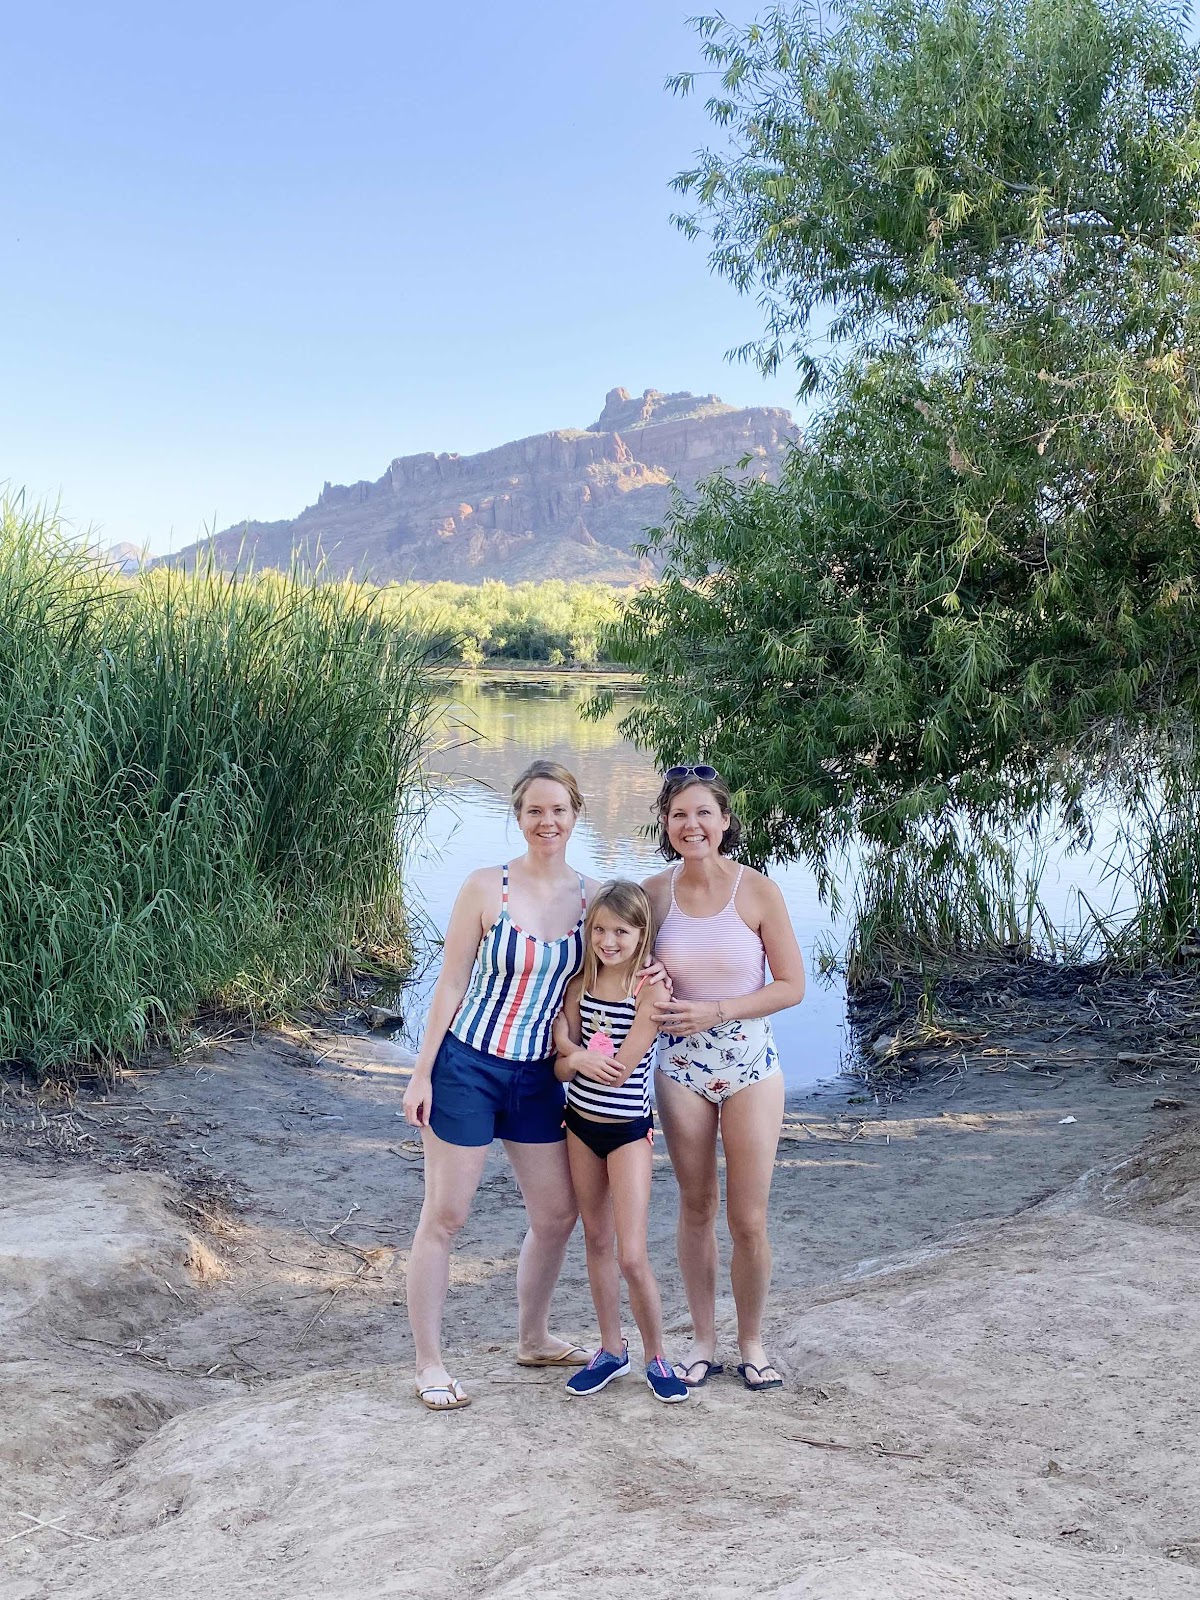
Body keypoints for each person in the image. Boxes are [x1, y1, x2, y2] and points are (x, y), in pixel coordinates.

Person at [401, 759, 597, 1410]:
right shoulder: (487, 886)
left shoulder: (593, 898)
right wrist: (422, 1073)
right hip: (468, 1067)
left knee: (557, 1214)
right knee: (446, 1215)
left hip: (537, 1077)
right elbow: (450, 982)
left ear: (575, 815)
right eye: (535, 810)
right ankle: (429, 1363)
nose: (547, 821)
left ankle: (534, 1338)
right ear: (519, 817)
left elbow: (613, 970)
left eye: (559, 810)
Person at [643, 765, 806, 1394]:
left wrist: (717, 1010)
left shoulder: (757, 891)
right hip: (681, 1069)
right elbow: (618, 965)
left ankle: (753, 1343)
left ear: (724, 820)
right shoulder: (653, 895)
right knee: (695, 1207)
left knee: (748, 1218)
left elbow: (791, 986)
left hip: (749, 1067)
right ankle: (704, 1342)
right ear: (666, 824)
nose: (692, 825)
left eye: (703, 813)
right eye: (679, 815)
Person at [552, 881, 689, 1405]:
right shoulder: (579, 984)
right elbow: (560, 1068)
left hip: (628, 1130)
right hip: (579, 1126)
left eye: (621, 932)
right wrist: (571, 1055)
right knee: (596, 1241)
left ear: (642, 933)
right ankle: (612, 1349)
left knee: (631, 1255)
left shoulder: (649, 990)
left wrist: (574, 1054)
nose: (608, 941)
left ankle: (657, 1356)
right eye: (600, 930)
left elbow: (620, 1069)